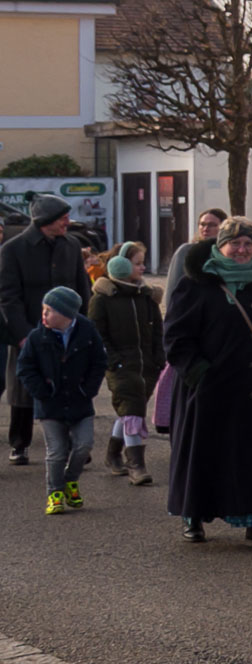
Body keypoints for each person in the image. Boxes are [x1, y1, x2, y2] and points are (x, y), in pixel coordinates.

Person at [164, 217, 252, 548]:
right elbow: (175, 336)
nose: (243, 250)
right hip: (209, 386)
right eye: (235, 243)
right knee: (203, 455)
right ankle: (194, 517)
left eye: (249, 243)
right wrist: (199, 373)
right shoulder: (196, 283)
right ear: (221, 246)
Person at [0, 195, 91, 467]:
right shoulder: (13, 249)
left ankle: (75, 447)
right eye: (62, 217)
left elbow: (81, 289)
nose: (67, 222)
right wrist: (23, 334)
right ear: (45, 221)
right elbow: (7, 297)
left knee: (68, 386)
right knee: (24, 387)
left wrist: (83, 327)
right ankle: (19, 443)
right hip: (28, 330)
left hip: (66, 332)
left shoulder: (72, 245)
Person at [16, 286, 107, 515]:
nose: (44, 315)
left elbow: (99, 362)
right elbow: (25, 368)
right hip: (50, 404)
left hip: (80, 401)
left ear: (66, 314)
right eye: (43, 310)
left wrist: (88, 389)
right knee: (56, 451)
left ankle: (70, 480)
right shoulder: (37, 337)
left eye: (49, 311)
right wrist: (41, 391)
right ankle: (55, 492)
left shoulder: (87, 332)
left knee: (84, 445)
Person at [87, 242, 164, 487]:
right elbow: (97, 335)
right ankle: (136, 465)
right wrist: (114, 361)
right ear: (120, 265)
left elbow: (158, 332)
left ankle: (113, 453)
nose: (143, 267)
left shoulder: (147, 298)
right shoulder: (103, 299)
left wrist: (158, 359)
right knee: (132, 411)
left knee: (130, 410)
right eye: (138, 262)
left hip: (147, 366)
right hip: (120, 366)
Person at [165, 208, 226, 310]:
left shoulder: (229, 253)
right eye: (202, 224)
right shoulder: (186, 251)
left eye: (211, 225)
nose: (206, 228)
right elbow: (173, 288)